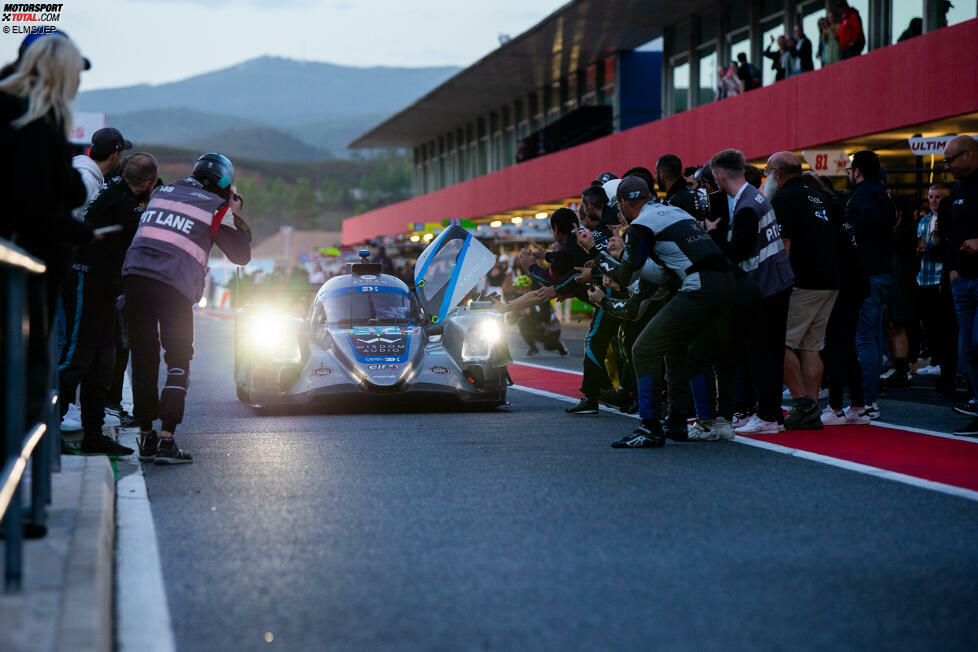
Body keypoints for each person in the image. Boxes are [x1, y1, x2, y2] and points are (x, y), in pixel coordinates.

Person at [577, 176, 734, 447]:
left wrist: (596, 252)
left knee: (643, 349)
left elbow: (626, 278)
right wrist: (620, 256)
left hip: (699, 287)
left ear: (624, 203)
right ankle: (682, 422)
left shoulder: (640, 227)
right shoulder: (674, 212)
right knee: (680, 349)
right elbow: (664, 271)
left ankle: (649, 426)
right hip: (727, 284)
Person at [122, 153, 252, 463]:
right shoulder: (215, 207)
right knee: (178, 357)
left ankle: (147, 438)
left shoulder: (162, 192)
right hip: (173, 286)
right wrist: (232, 211)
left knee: (143, 358)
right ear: (224, 184)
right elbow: (241, 255)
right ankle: (167, 439)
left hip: (135, 278)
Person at [0, 34, 96, 433]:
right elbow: (38, 198)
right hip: (26, 268)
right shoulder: (35, 119)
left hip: (29, 264)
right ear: (59, 71)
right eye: (75, 72)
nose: (78, 82)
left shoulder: (25, 112)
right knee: (26, 380)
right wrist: (81, 231)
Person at [59, 154, 159, 456]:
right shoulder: (126, 207)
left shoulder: (112, 186)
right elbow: (145, 242)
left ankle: (92, 435)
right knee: (76, 358)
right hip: (84, 283)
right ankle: (44, 429)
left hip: (102, 290)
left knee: (102, 363)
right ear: (147, 183)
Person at [707, 149, 794, 435]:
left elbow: (737, 252)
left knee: (760, 354)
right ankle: (772, 415)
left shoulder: (745, 206)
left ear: (720, 175)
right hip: (777, 282)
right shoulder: (756, 197)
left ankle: (768, 416)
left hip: (765, 287)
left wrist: (712, 233)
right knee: (769, 352)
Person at [766, 152, 840, 429]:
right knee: (811, 345)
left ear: (777, 173)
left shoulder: (784, 198)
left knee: (779, 341)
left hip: (803, 280)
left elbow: (784, 246)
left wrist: (776, 282)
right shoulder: (817, 194)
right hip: (829, 278)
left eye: (767, 170)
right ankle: (811, 406)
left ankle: (802, 403)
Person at [846, 151, 896, 419]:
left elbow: (863, 224)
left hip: (867, 272)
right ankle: (870, 398)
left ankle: (865, 399)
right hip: (881, 270)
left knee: (866, 338)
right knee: (873, 337)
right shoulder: (882, 193)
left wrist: (846, 228)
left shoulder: (865, 193)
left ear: (857, 171)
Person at [941, 136, 978, 436]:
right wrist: (953, 267)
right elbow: (950, 232)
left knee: (976, 342)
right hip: (963, 278)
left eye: (951, 159)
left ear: (970, 154)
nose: (947, 165)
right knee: (967, 347)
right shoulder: (957, 190)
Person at [916, 184, 956, 396]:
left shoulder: (947, 220)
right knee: (929, 325)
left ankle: (942, 364)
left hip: (940, 277)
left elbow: (940, 247)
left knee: (943, 325)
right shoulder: (924, 220)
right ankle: (935, 359)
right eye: (931, 197)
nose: (933, 201)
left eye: (938, 197)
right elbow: (919, 244)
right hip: (924, 277)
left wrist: (927, 248)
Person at [508, 275, 567, 356]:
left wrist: (530, 313)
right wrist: (510, 315)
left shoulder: (538, 297)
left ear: (525, 288)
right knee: (522, 323)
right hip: (537, 326)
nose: (517, 290)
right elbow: (511, 322)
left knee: (549, 346)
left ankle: (559, 345)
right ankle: (533, 348)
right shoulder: (520, 300)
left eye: (518, 288)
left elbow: (546, 317)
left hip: (550, 327)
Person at [655, 154, 698, 218]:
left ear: (661, 173)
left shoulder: (673, 203)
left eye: (656, 173)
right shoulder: (691, 196)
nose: (656, 178)